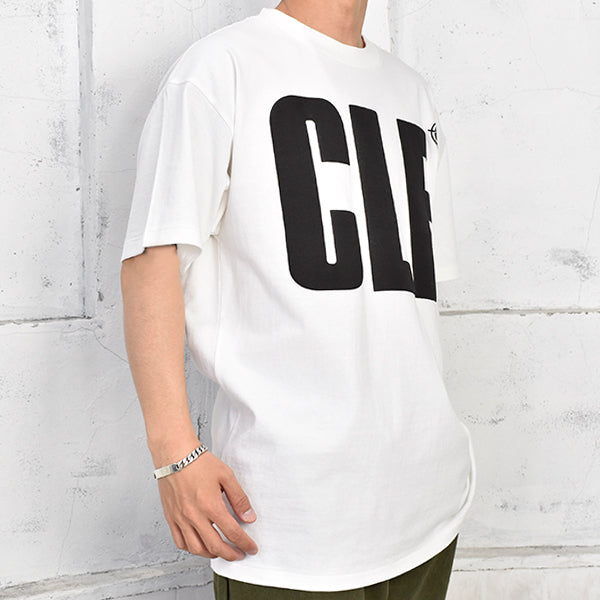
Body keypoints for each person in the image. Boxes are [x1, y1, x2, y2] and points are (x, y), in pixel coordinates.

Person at [120, 1, 477, 598]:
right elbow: (152, 260)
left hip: (428, 502)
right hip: (288, 520)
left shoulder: (410, 91)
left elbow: (411, 294)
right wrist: (174, 453)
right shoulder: (220, 67)